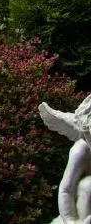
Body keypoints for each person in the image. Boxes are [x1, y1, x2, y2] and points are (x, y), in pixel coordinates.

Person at [40, 95, 91, 223]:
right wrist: (70, 220)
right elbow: (66, 190)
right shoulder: (81, 150)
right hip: (82, 211)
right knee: (87, 185)